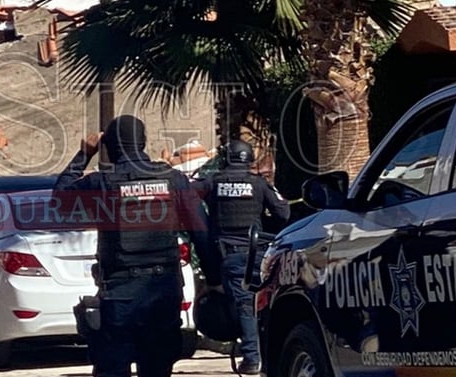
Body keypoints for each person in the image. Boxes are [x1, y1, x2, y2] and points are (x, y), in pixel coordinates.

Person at [54, 115, 222, 377]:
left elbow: (59, 201)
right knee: (157, 368)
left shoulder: (101, 183)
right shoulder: (173, 179)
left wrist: (84, 154)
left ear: (108, 146)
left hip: (120, 293)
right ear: (143, 143)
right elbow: (201, 231)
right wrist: (214, 280)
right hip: (163, 291)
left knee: (112, 368)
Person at [193, 139, 290, 375]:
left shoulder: (213, 182)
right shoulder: (259, 184)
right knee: (266, 305)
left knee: (246, 306)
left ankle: (252, 358)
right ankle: (269, 358)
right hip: (262, 253)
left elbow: (188, 196)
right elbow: (284, 212)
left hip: (232, 256)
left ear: (227, 158)